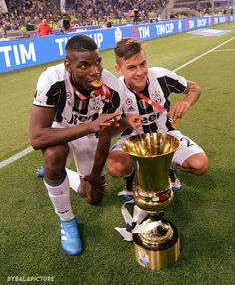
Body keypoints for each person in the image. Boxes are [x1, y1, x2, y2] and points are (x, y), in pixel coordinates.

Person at [29, 35, 141, 256]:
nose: (94, 71)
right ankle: (67, 221)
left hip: (91, 132)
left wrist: (95, 175)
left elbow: (106, 133)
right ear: (68, 66)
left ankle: (59, 174)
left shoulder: (113, 87)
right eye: (84, 65)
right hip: (58, 130)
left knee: (94, 198)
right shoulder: (51, 79)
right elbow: (37, 138)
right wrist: (91, 126)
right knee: (53, 154)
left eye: (98, 62)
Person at [106, 38, 209, 198]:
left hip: (166, 135)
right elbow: (109, 130)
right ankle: (132, 174)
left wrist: (186, 102)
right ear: (119, 69)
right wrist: (125, 121)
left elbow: (194, 88)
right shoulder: (115, 91)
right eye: (132, 67)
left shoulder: (161, 76)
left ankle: (167, 167)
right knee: (115, 168)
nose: (140, 72)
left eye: (143, 64)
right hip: (132, 140)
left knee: (200, 165)